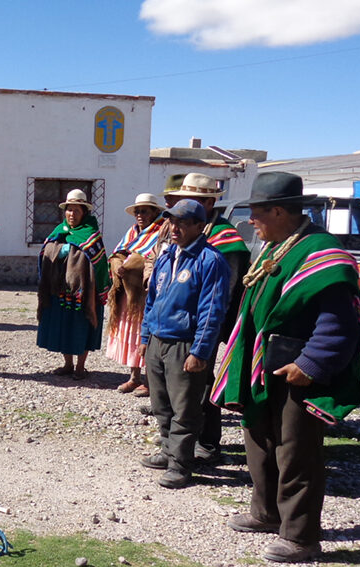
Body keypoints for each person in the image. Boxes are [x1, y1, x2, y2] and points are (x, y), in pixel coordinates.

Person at [213, 172, 360, 563]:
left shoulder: (321, 253)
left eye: (257, 213)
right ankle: (266, 513)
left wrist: (310, 365)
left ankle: (300, 536)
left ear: (279, 211)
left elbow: (340, 322)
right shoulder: (275, 247)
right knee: (259, 438)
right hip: (263, 365)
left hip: (295, 371)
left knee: (296, 452)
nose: (250, 221)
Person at [138, 199, 230, 489]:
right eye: (171, 221)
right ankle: (167, 452)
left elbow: (212, 311)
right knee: (161, 404)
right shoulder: (166, 257)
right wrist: (144, 338)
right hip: (158, 340)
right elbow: (151, 300)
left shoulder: (210, 260)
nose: (174, 228)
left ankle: (181, 465)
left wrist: (200, 351)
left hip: (184, 344)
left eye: (182, 222)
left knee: (185, 408)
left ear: (199, 226)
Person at [169, 173, 251, 462]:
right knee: (179, 384)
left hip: (205, 327)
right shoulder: (191, 235)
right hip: (181, 324)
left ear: (206, 203)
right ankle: (179, 440)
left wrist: (207, 337)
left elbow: (224, 297)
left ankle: (207, 441)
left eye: (187, 202)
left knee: (202, 381)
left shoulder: (227, 242)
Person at [36, 189, 108, 379]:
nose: (71, 214)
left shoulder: (91, 234)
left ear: (84, 212)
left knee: (81, 327)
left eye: (76, 210)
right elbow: (46, 250)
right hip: (59, 289)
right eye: (69, 210)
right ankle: (67, 364)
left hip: (83, 293)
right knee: (63, 326)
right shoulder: (59, 231)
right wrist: (58, 250)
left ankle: (80, 366)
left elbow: (99, 263)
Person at [106, 193, 165, 396]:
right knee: (130, 333)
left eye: (144, 211)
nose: (140, 215)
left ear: (155, 212)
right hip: (128, 294)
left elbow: (153, 257)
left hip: (145, 292)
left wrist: (131, 265)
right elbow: (118, 252)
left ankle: (150, 380)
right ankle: (134, 376)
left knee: (145, 334)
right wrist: (118, 264)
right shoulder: (132, 232)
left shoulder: (160, 231)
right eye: (137, 212)